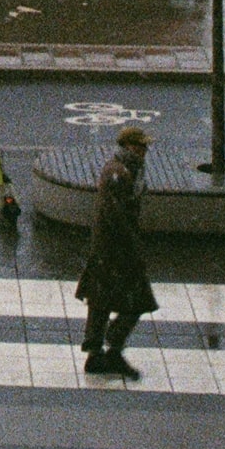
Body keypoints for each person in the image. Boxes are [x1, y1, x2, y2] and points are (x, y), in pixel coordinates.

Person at [76, 124, 157, 381]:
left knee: (101, 300)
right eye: (141, 146)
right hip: (113, 249)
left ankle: (101, 351)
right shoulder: (117, 172)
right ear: (128, 146)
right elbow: (116, 215)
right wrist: (132, 248)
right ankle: (107, 348)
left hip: (113, 247)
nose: (144, 150)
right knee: (134, 300)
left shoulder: (130, 170)